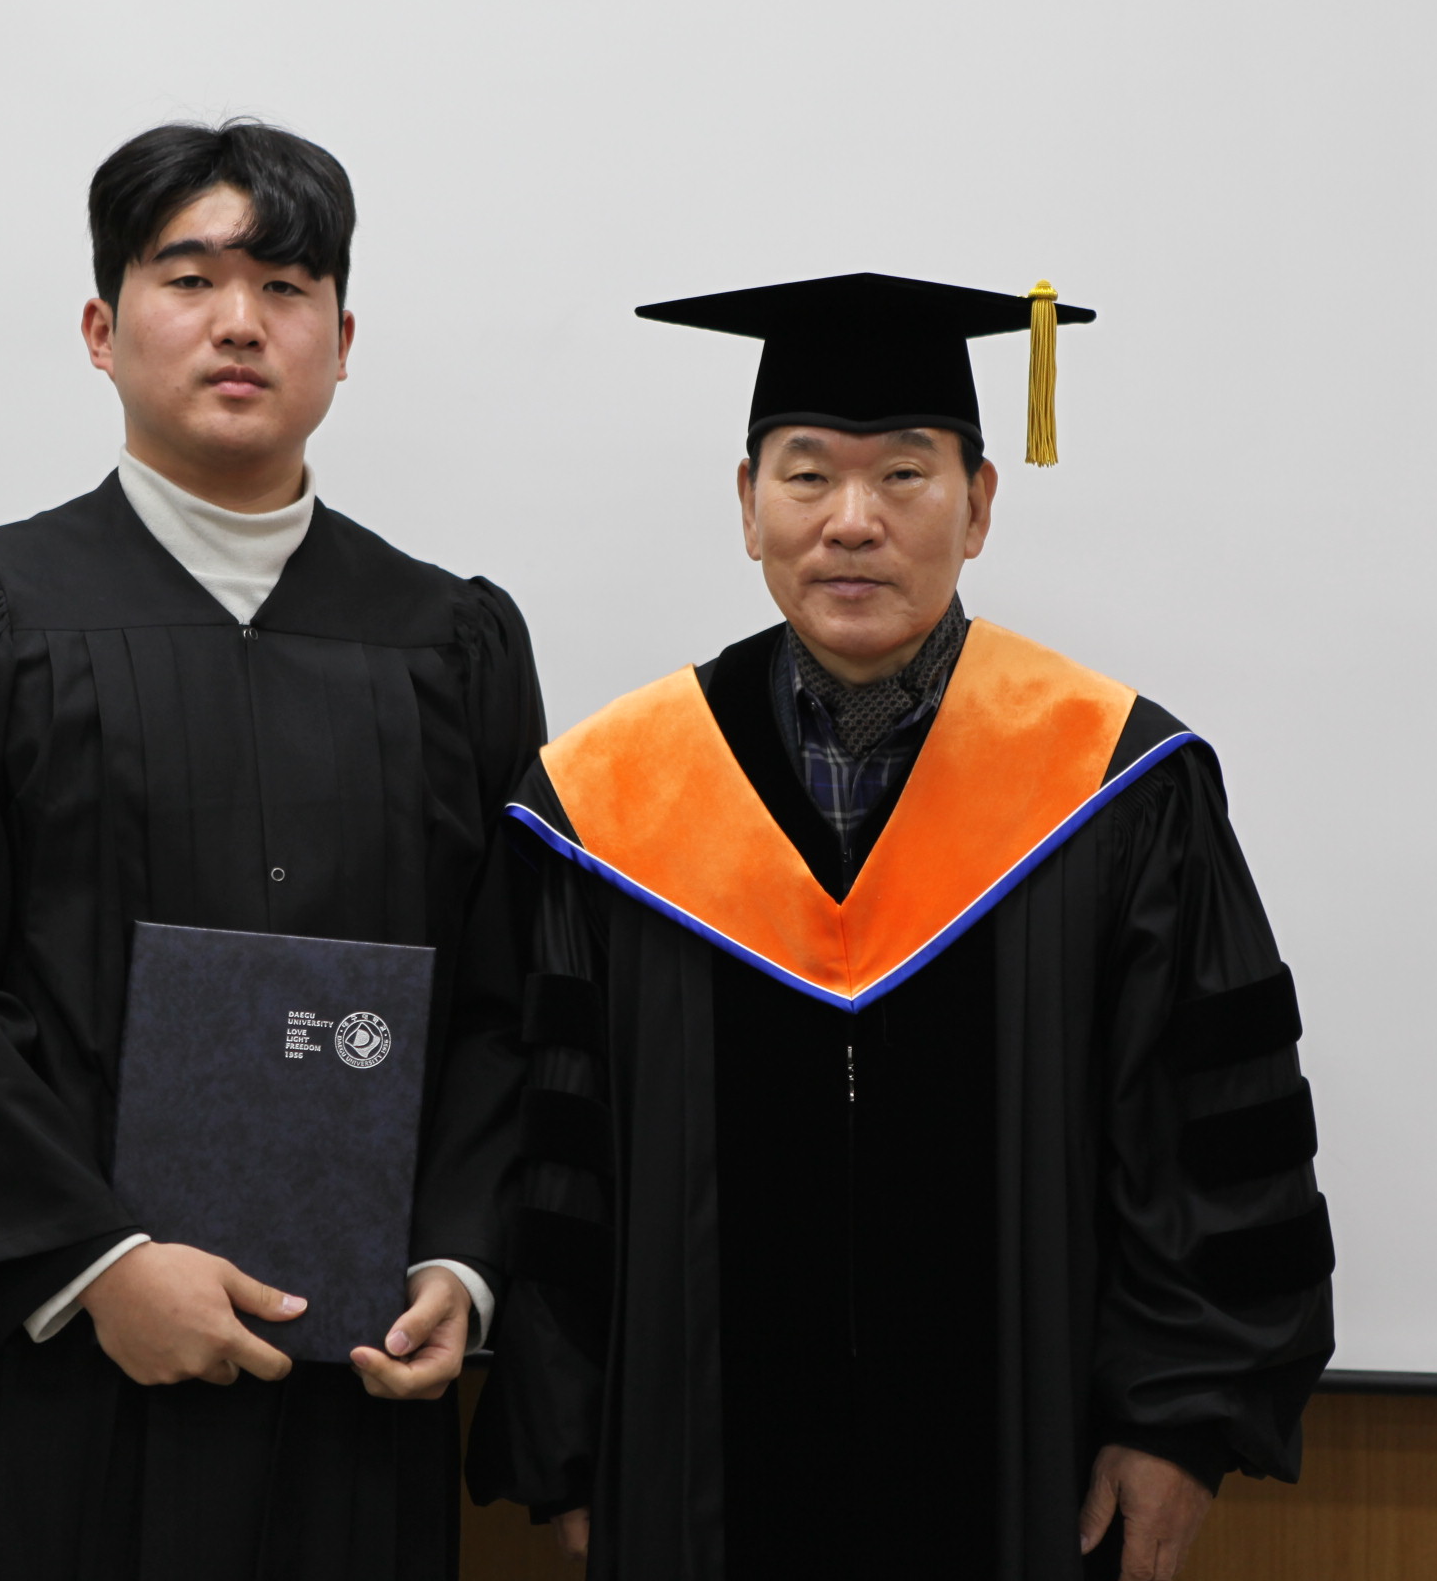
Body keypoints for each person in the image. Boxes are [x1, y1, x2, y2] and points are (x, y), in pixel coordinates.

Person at [469, 273, 1333, 1580]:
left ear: (979, 506)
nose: (852, 521)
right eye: (808, 476)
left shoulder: (1118, 785)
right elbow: (555, 1159)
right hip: (692, 1480)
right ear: (747, 505)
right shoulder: (610, 804)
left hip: (1028, 1473)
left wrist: (1178, 1422)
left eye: (905, 477)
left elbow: (1205, 1134)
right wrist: (572, 1444)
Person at [0, 119, 543, 1579]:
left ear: (343, 340)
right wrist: (96, 1267)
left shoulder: (451, 644)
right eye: (189, 278)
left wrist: (460, 1261)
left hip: (347, 1382)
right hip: (39, 1383)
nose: (238, 322)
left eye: (285, 286)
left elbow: (511, 991)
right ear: (103, 328)